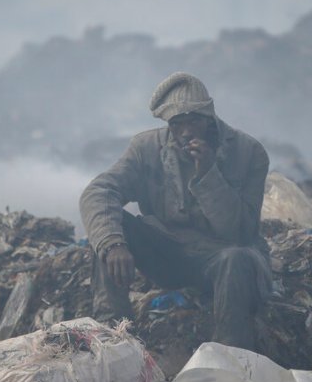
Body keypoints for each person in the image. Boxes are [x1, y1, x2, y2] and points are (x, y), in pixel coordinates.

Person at [79, 72, 271, 350]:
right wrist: (113, 244)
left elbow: (240, 232)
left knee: (236, 259)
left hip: (222, 258)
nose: (185, 131)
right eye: (177, 123)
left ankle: (230, 355)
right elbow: (99, 191)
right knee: (109, 228)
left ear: (209, 118)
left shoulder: (248, 152)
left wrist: (208, 174)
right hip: (169, 253)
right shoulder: (146, 148)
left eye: (194, 121)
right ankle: (113, 336)